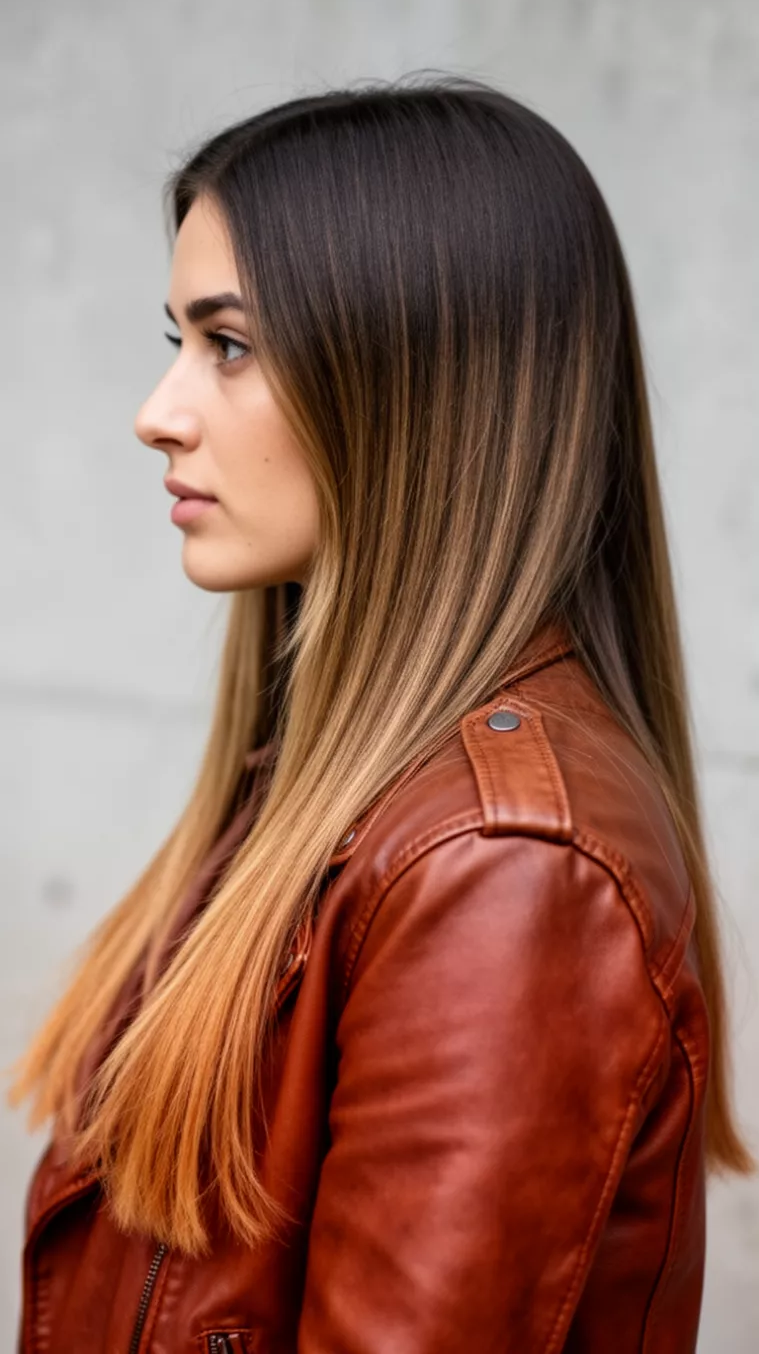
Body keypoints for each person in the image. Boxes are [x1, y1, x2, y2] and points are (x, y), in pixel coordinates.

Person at [8, 72, 754, 1353]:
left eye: (227, 344)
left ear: (411, 381)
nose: (157, 412)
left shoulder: (504, 870)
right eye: (174, 339)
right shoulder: (350, 787)